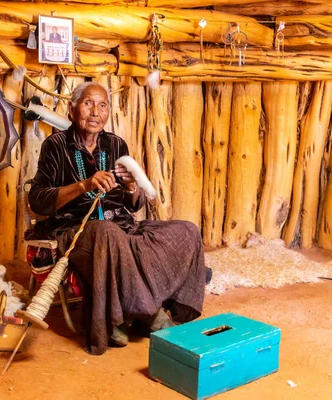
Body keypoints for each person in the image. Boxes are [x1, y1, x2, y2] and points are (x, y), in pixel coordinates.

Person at [28, 82, 207, 355]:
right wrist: (84, 185)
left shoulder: (115, 144)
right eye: (88, 103)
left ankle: (132, 311)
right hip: (76, 230)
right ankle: (146, 314)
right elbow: (38, 200)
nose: (95, 112)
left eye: (102, 105)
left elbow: (132, 205)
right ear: (72, 108)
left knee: (186, 231)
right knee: (106, 233)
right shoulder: (55, 146)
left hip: (121, 225)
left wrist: (132, 187)